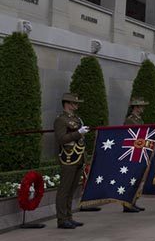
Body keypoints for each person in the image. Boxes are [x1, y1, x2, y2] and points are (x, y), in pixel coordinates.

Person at [54, 93, 89, 229]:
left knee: (72, 189)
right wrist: (78, 133)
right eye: (75, 103)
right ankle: (61, 219)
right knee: (64, 189)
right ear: (67, 104)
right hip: (68, 158)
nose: (77, 105)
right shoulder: (61, 120)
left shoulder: (76, 118)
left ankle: (68, 216)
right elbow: (61, 139)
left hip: (78, 156)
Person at [122, 97, 149, 212]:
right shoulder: (130, 120)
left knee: (137, 179)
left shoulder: (139, 120)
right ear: (136, 107)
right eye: (141, 106)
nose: (143, 108)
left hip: (139, 151)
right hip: (132, 152)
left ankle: (133, 201)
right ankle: (127, 203)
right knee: (130, 179)